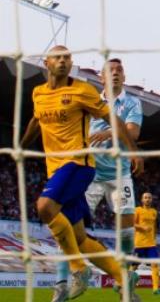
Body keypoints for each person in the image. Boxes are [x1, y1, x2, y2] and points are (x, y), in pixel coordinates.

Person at [22, 46, 143, 302]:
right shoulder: (39, 93)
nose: (64, 61)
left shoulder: (82, 90)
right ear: (47, 63)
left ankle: (78, 270)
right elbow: (37, 119)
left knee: (45, 207)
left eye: (67, 58)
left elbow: (115, 119)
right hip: (56, 168)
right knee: (78, 237)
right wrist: (20, 146)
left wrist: (133, 152)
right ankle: (123, 279)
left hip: (80, 164)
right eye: (58, 57)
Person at [133, 192, 160, 295]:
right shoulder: (137, 210)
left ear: (151, 200)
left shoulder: (154, 212)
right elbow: (132, 224)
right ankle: (124, 285)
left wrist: (155, 239)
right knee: (133, 267)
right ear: (142, 200)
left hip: (151, 245)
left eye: (149, 197)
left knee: (155, 265)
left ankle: (155, 289)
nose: (147, 199)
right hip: (139, 244)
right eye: (145, 197)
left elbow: (154, 227)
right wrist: (142, 228)